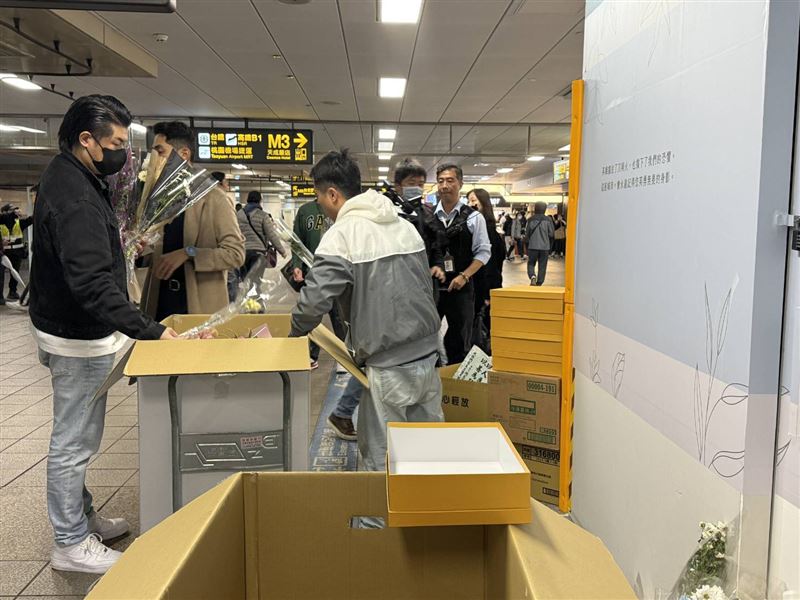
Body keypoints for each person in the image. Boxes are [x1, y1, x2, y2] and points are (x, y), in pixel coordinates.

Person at [28, 95, 179, 574]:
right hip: (76, 337)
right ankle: (70, 542)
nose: (122, 154)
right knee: (74, 441)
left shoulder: (74, 177)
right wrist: (150, 331)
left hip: (72, 328)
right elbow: (91, 284)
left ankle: (82, 516)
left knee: (84, 435)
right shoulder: (74, 195)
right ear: (85, 139)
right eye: (114, 143)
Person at [290, 149, 443, 472]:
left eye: (320, 198)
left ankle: (379, 523)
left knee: (381, 462)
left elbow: (313, 303)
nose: (321, 205)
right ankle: (423, 517)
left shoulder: (342, 235)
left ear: (332, 194)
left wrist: (291, 336)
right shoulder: (403, 225)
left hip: (389, 366)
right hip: (429, 356)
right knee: (426, 454)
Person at [145, 122, 245, 321]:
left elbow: (236, 254)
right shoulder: (158, 198)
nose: (153, 159)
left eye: (160, 151)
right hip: (160, 304)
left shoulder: (214, 198)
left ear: (183, 154)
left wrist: (189, 253)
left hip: (197, 308)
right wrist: (140, 250)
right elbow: (158, 248)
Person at [434, 163, 491, 365]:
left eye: (450, 180)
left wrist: (464, 276)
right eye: (440, 181)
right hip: (433, 289)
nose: (444, 185)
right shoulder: (428, 217)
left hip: (462, 288)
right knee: (426, 337)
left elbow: (484, 252)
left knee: (460, 339)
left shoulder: (474, 218)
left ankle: (456, 387)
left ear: (460, 183)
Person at [290, 197, 345, 372]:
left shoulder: (343, 209)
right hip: (311, 272)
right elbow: (296, 241)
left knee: (340, 317)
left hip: (338, 271)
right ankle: (311, 355)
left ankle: (345, 356)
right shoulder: (306, 211)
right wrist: (297, 265)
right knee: (312, 314)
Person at [467, 189, 504, 338]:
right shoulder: (478, 226)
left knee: (481, 331)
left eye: (474, 200)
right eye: (469, 201)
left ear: (484, 202)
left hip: (485, 288)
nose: (471, 204)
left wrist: (487, 294)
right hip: (478, 287)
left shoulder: (488, 230)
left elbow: (491, 264)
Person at [237, 190, 286, 276]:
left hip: (242, 252)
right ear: (260, 201)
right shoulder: (263, 215)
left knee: (245, 282)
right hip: (258, 252)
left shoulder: (238, 214)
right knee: (256, 282)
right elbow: (272, 235)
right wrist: (282, 251)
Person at [0, 203, 32, 301]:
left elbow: (30, 220)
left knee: (15, 273)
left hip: (16, 252)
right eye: (12, 210)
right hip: (3, 252)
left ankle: (12, 292)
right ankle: (0, 296)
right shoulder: (1, 221)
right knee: (0, 275)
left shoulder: (19, 223)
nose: (15, 212)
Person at [525, 201, 555, 286]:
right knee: (542, 265)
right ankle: (539, 282)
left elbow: (527, 235)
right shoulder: (548, 220)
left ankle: (532, 276)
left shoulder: (530, 219)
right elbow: (552, 234)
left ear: (535, 208)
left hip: (532, 246)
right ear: (544, 209)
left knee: (531, 263)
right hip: (545, 247)